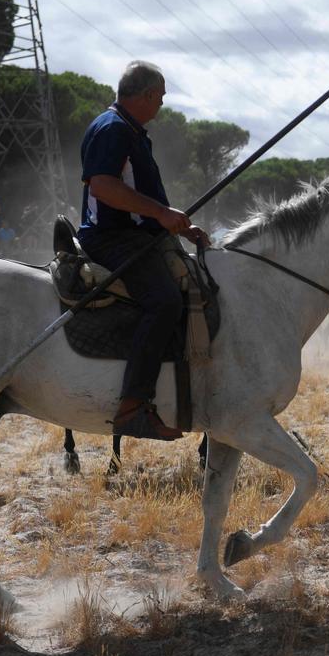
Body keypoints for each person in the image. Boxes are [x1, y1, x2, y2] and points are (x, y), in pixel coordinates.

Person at [77, 60, 209, 441]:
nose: (163, 104)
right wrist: (162, 213)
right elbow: (102, 186)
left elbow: (141, 200)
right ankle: (133, 406)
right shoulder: (114, 128)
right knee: (164, 302)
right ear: (148, 94)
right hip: (112, 239)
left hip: (135, 236)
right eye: (162, 97)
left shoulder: (130, 130)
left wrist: (178, 226)